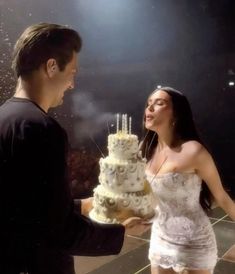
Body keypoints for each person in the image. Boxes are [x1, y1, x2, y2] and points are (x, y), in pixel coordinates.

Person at [0, 23, 150, 274]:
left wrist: (86, 205)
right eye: (72, 72)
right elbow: (59, 231)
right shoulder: (43, 129)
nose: (72, 84)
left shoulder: (4, 116)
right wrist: (121, 232)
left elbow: (26, 205)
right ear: (51, 67)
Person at [140, 86, 235, 274]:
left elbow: (222, 197)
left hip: (194, 243)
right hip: (160, 239)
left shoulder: (193, 151)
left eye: (159, 103)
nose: (149, 108)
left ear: (176, 114)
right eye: (149, 103)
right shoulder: (145, 149)